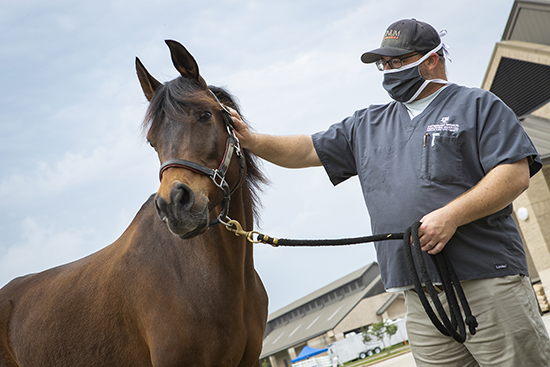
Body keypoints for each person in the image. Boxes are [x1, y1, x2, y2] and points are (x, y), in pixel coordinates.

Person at [230, 19, 550, 367]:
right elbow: (306, 150)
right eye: (383, 64)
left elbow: (514, 175)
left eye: (397, 62)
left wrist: (451, 216)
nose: (388, 71)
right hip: (421, 298)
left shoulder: (478, 105)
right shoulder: (366, 125)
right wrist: (252, 140)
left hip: (488, 284)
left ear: (431, 60)